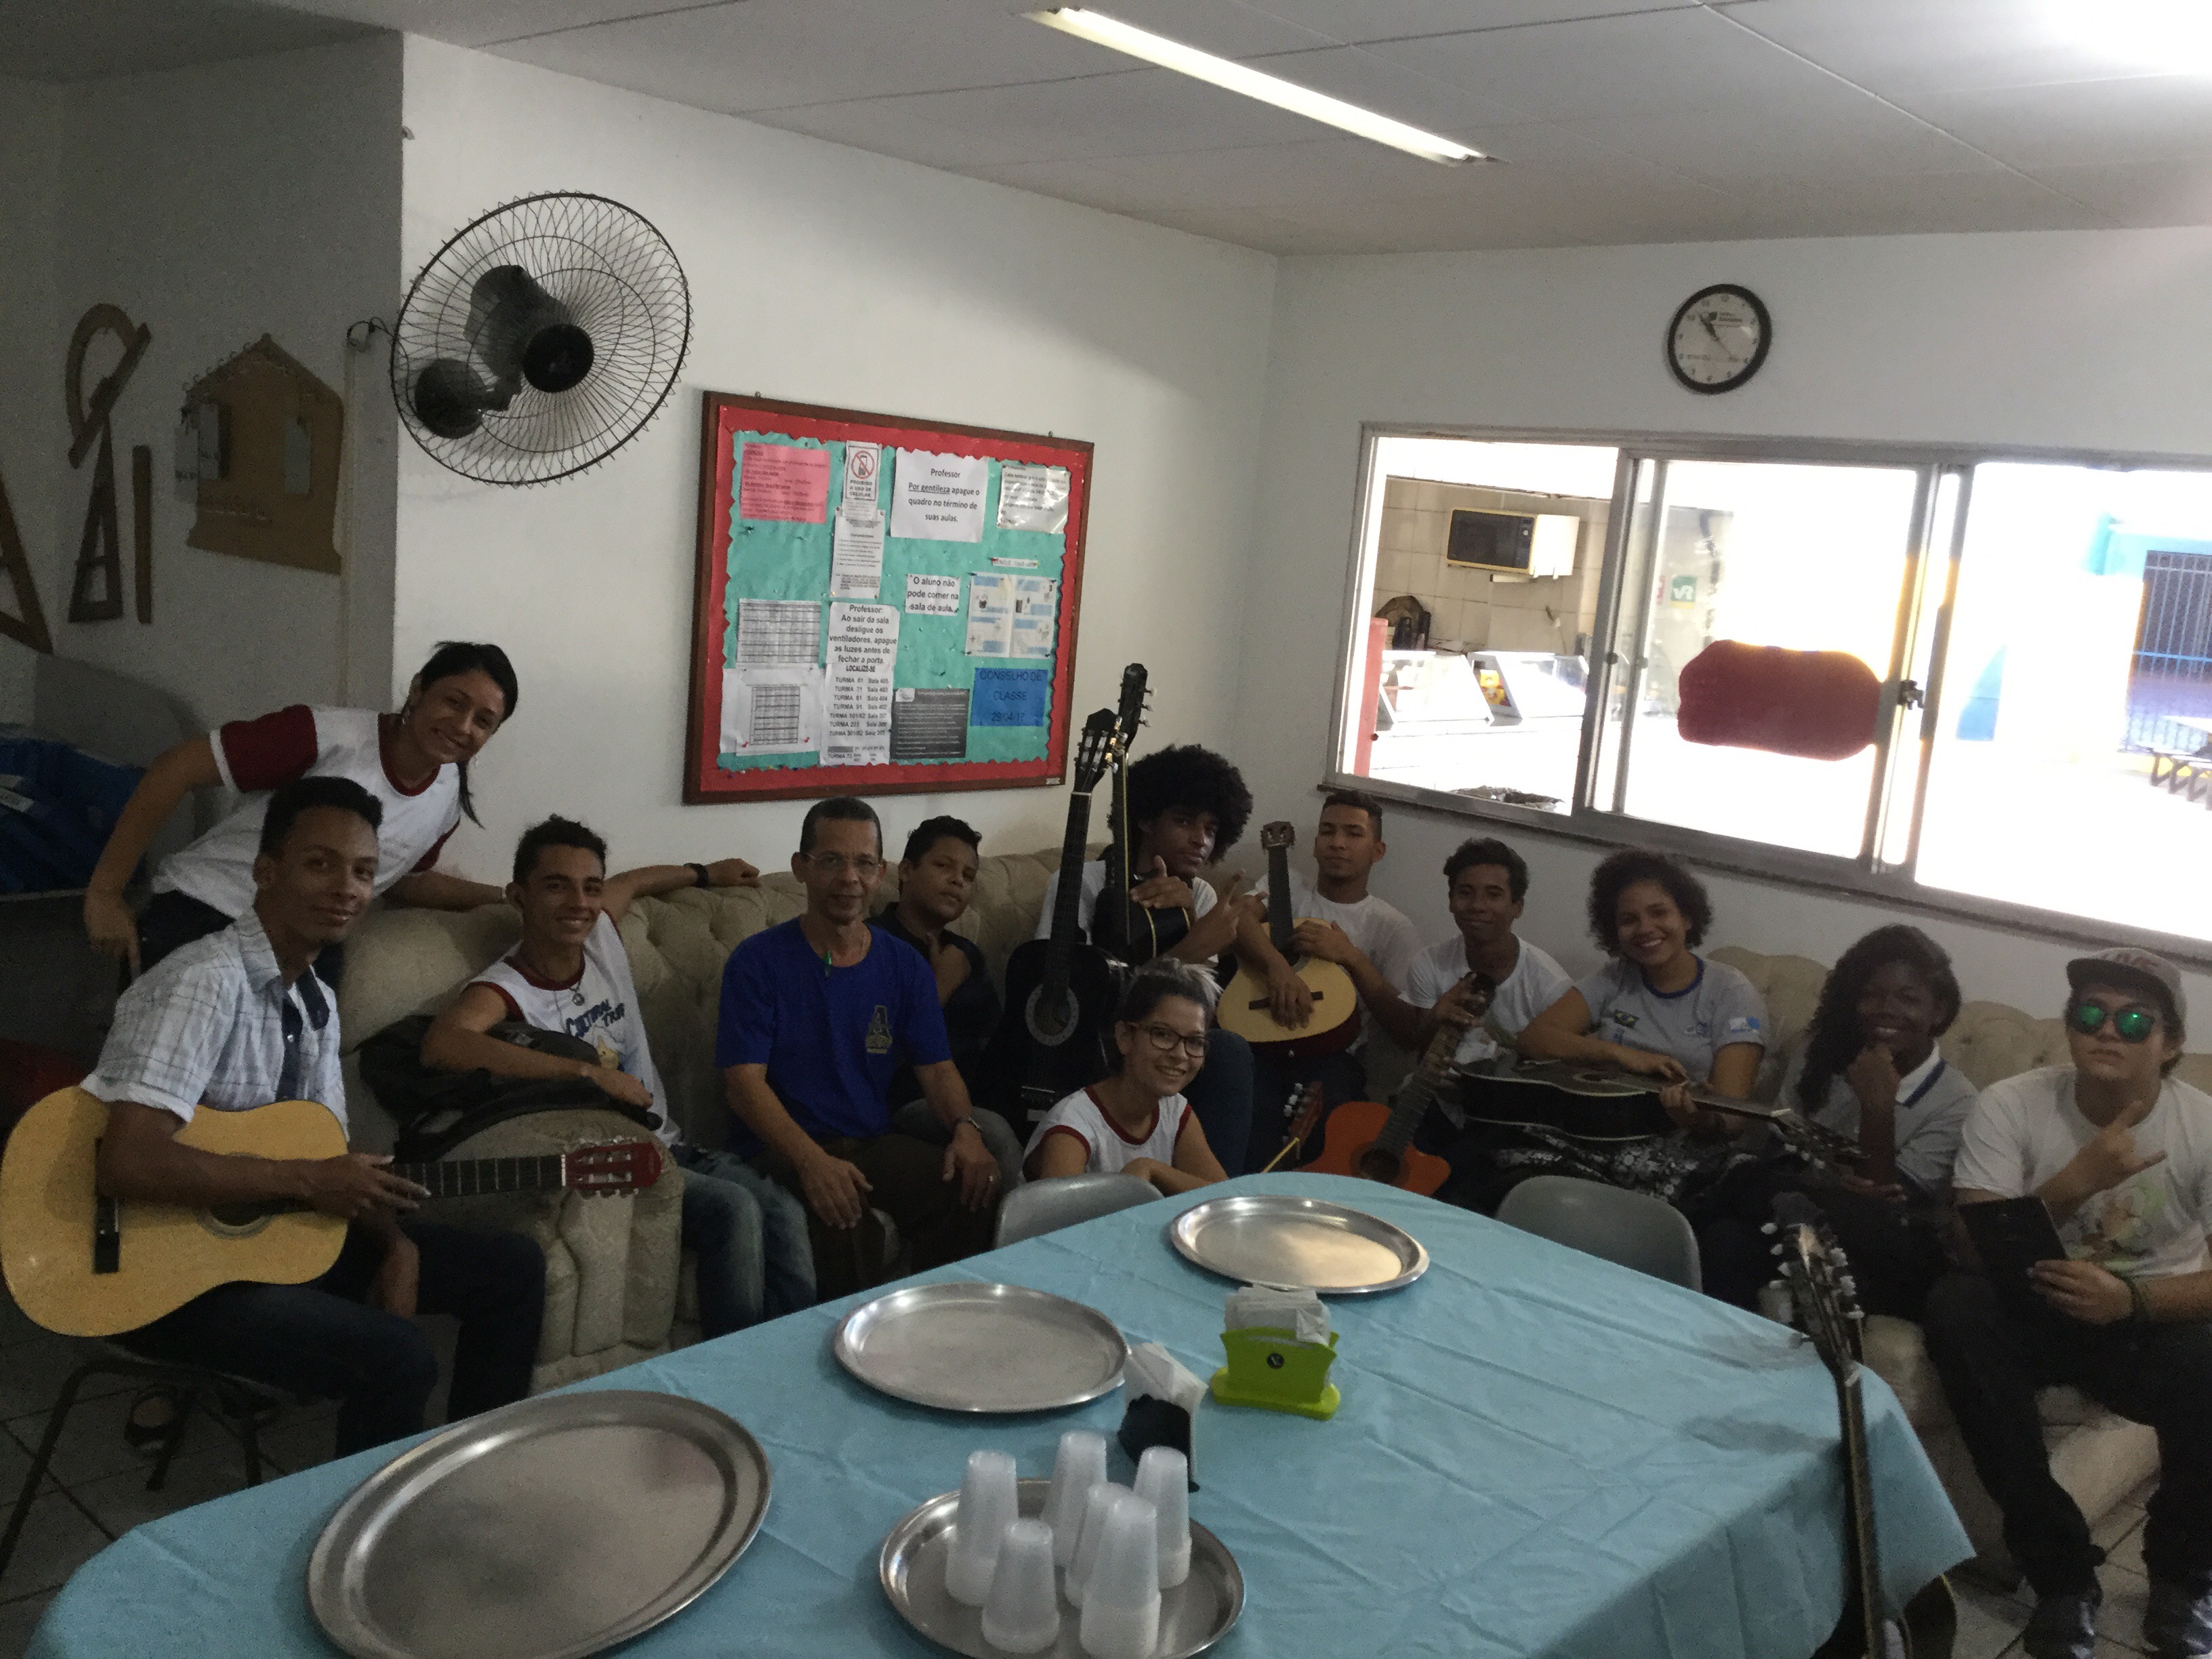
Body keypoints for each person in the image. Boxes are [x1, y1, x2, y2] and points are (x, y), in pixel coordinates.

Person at [85, 776, 545, 1458]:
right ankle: (369, 1521)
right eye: (320, 864)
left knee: (514, 1268)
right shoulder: (201, 983)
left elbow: (331, 1164)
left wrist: (395, 1246)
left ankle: (476, 1469)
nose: (346, 889)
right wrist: (306, 1180)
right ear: (266, 872)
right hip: (162, 1277)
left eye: (363, 872)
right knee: (398, 1358)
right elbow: (126, 1161)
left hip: (271, 1242)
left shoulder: (316, 1002)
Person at [1923, 949, 2212, 1659]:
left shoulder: (2203, 1126)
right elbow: (1970, 1250)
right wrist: (2075, 1182)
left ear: (2170, 1042)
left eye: (2134, 1020)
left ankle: (2181, 1576)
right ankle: (2062, 1576)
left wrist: (2131, 1300)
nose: (2107, 1030)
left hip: (2144, 1318)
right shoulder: (2011, 1104)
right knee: (1958, 1305)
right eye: (2089, 1014)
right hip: (2036, 1301)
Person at [419, 816, 812, 1334]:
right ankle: (731, 1365)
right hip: (618, 1163)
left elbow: (632, 882)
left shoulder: (600, 939)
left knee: (784, 1212)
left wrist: (704, 873)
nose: (578, 902)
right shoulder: (507, 988)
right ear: (518, 896)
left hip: (671, 1145)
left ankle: (784, 1358)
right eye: (556, 886)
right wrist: (587, 1072)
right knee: (733, 1209)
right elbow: (445, 1043)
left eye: (590, 887)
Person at [83, 642, 519, 980]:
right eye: (453, 702)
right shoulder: (325, 735)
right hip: (207, 916)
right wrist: (105, 893)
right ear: (419, 689)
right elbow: (176, 768)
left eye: (483, 721)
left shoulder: (447, 796)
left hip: (307, 948)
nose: (463, 727)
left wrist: (505, 897)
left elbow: (404, 881)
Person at [719, 797, 1000, 1300]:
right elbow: (743, 1085)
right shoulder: (757, 962)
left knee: (970, 1186)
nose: (849, 878)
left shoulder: (904, 966)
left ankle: (943, 1328)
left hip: (871, 1141)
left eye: (864, 863)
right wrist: (811, 1161)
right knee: (844, 1220)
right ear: (801, 867)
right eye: (831, 861)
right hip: (781, 1148)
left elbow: (937, 1070)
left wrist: (965, 1129)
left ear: (881, 873)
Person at [1698, 925, 1977, 1316]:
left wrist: (1877, 1108)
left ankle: (1719, 1196)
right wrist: (1825, 1184)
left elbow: (1883, 1203)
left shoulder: (1958, 1100)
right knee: (1724, 1240)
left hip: (1884, 1247)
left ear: (1939, 1011)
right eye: (1871, 995)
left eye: (1908, 998)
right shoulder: (1822, 1050)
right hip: (1794, 1217)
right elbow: (1779, 1147)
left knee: (1747, 1184)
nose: (1886, 1009)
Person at [1031, 743, 1266, 1169]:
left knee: (1229, 1050)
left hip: (1168, 1042)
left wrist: (1191, 920)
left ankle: (1216, 1194)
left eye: (1211, 828)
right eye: (1184, 821)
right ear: (1144, 819)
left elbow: (1198, 1015)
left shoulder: (1200, 894)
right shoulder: (1084, 882)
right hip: (1096, 1043)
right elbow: (1068, 998)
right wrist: (1189, 950)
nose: (1200, 839)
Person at [1500, 849, 1770, 1208]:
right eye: (1629, 920)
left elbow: (1732, 1118)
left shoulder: (1731, 992)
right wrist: (1621, 1055)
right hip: (1597, 1134)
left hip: (1681, 1151)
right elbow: (1533, 1038)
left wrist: (1696, 1119)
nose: (1644, 929)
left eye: (1659, 913)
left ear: (1687, 916)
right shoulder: (1615, 977)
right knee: (1495, 1159)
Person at [1241, 790, 1423, 1172]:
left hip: (1333, 1058)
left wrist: (1351, 957)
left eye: (1353, 834)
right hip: (1258, 1042)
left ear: (1377, 851)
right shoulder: (1287, 886)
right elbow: (1239, 918)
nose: (1338, 843)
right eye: (1328, 831)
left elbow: (1407, 1030)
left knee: (1331, 1128)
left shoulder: (1392, 926)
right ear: (1314, 844)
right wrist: (1278, 968)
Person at [1391, 838, 1574, 1204]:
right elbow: (1417, 1050)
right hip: (1435, 1105)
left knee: (1462, 1183)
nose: (1477, 906)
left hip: (1507, 1120)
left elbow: (1552, 1085)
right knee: (1388, 1158)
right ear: (1450, 900)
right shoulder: (1430, 963)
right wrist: (1436, 1017)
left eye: (1493, 895)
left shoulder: (1550, 984)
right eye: (1465, 893)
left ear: (1517, 906)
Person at [1025, 961, 1229, 1196]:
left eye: (1195, 1042)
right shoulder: (1073, 1125)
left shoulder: (1174, 1110)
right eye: (1162, 1034)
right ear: (1124, 1037)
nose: (1180, 1055)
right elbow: (1061, 1215)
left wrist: (1151, 1169)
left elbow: (1227, 1197)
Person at [877, 816, 1000, 1103]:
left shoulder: (966, 955)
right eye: (944, 866)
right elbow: (875, 1057)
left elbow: (995, 1046)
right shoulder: (872, 946)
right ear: (906, 871)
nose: (958, 880)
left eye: (968, 876)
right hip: (907, 1101)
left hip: (975, 1098)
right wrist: (939, 987)